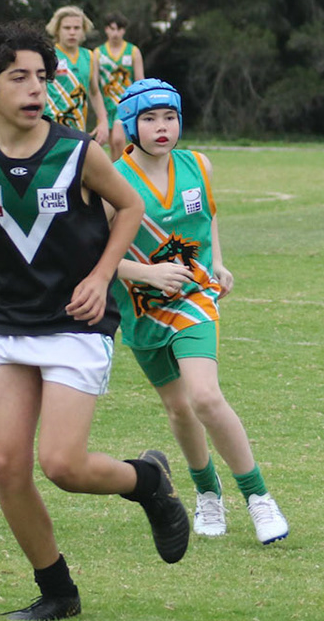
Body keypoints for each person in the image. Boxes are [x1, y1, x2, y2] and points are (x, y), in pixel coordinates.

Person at [0, 23, 189, 621]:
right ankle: (58, 591)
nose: (36, 88)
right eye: (19, 78)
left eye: (42, 77)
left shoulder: (78, 151)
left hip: (76, 324)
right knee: (7, 465)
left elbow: (130, 206)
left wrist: (101, 276)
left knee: (62, 465)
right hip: (8, 324)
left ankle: (146, 482)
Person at [109, 78, 289, 544]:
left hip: (194, 298)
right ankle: (208, 493)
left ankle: (259, 498)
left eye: (170, 117)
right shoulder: (112, 180)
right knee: (178, 409)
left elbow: (208, 217)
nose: (162, 127)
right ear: (129, 125)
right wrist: (146, 274)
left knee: (205, 397)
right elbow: (91, 254)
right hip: (141, 308)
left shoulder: (198, 165)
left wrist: (219, 263)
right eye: (150, 119)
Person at [44, 6, 108, 147]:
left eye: (77, 28)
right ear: (57, 30)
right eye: (67, 28)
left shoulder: (89, 56)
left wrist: (103, 121)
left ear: (83, 30)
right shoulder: (47, 55)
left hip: (78, 129)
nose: (72, 32)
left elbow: (94, 92)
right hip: (50, 128)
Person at [96, 14, 143, 160]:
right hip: (106, 104)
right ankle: (115, 169)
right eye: (112, 29)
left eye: (119, 29)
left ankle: (120, 170)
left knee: (118, 139)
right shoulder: (98, 53)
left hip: (125, 103)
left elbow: (140, 80)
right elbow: (94, 83)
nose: (115, 33)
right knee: (112, 144)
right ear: (106, 30)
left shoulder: (133, 51)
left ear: (124, 31)